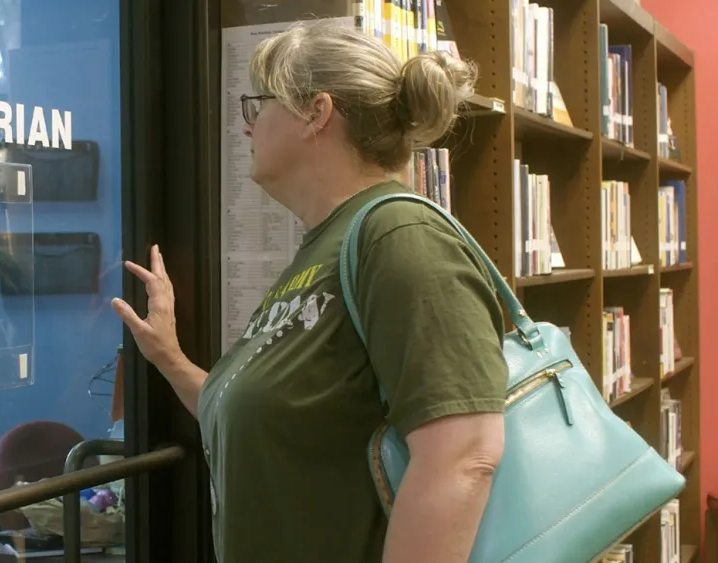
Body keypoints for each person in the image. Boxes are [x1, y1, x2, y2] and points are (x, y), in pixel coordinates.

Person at [111, 20, 509, 563]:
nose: (246, 126)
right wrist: (170, 358)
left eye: (257, 105)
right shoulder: (323, 248)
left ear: (315, 113)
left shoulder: (399, 237)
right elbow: (259, 419)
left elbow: (464, 456)